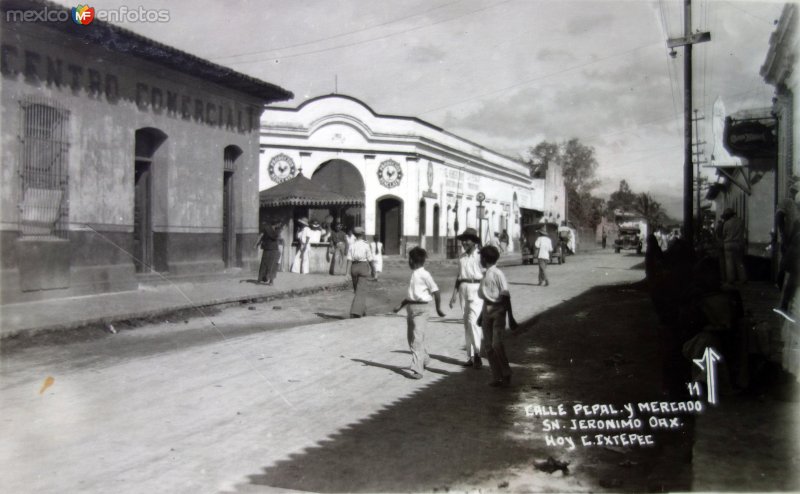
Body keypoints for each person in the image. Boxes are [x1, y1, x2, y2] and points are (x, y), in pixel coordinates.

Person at [393, 247, 446, 380]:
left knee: (417, 338)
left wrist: (439, 309)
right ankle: (425, 358)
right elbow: (411, 296)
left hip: (422, 310)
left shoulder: (425, 275)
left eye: (409, 259)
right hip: (411, 309)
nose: (408, 262)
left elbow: (436, 291)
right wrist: (400, 306)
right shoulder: (414, 274)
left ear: (412, 260)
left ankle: (418, 369)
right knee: (411, 339)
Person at [478, 245, 517, 387]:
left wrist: (511, 317)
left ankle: (506, 373)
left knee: (497, 344)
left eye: (480, 257)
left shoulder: (498, 274)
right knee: (488, 346)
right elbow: (485, 297)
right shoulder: (485, 273)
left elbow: (506, 296)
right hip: (486, 310)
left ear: (484, 259)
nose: (479, 260)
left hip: (498, 311)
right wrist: (481, 315)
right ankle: (496, 376)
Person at [449, 227, 485, 369]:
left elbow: (486, 275)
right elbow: (459, 276)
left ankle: (477, 354)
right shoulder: (462, 257)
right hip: (463, 289)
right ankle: (470, 356)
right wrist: (454, 294)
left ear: (474, 242)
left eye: (467, 240)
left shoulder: (480, 256)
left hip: (477, 289)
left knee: (474, 321)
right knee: (466, 323)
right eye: (463, 240)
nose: (464, 243)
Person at [775, 179, 800, 319]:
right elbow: (779, 216)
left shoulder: (794, 205)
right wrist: (783, 234)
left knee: (793, 271)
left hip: (794, 238)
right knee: (791, 269)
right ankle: (784, 301)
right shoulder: (787, 203)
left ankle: (785, 303)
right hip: (791, 239)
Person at [347, 226, 375, 318]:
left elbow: (349, 259)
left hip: (354, 268)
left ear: (354, 235)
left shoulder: (352, 245)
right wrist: (373, 271)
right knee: (361, 291)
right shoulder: (366, 245)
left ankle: (362, 310)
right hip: (363, 267)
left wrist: (347, 272)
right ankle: (355, 312)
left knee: (357, 291)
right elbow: (370, 259)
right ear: (362, 234)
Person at [721, 208, 747, 285]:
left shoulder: (726, 223)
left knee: (729, 262)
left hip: (728, 244)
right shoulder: (741, 222)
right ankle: (743, 278)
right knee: (739, 262)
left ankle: (731, 279)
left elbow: (724, 235)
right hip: (738, 244)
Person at [255, 219, 283, 285]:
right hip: (273, 249)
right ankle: (270, 281)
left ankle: (262, 279)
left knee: (265, 264)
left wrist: (256, 244)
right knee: (272, 265)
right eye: (279, 224)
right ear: (276, 223)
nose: (279, 225)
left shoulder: (267, 228)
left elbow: (260, 236)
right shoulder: (277, 230)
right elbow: (279, 240)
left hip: (268, 248)